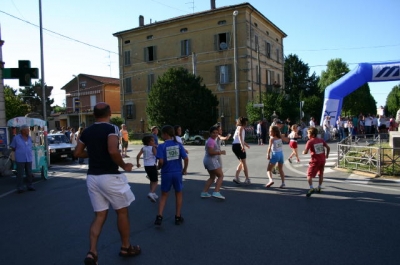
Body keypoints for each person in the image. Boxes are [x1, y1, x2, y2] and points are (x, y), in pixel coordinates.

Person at [74, 102, 141, 265]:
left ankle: (92, 252)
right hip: (109, 176)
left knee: (99, 215)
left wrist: (94, 153)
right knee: (122, 212)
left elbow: (77, 152)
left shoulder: (87, 131)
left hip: (92, 178)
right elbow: (112, 150)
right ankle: (126, 247)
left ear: (95, 114)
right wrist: (124, 165)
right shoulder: (112, 129)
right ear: (109, 113)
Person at [154, 125, 188, 226]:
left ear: (165, 134)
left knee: (164, 195)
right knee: (178, 194)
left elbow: (161, 161)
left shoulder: (161, 146)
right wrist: (184, 169)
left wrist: (159, 167)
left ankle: (159, 216)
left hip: (166, 173)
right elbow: (186, 158)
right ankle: (178, 216)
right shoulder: (178, 145)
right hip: (177, 172)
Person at [302, 127, 330, 197]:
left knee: (309, 175)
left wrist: (303, 152)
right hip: (322, 160)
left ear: (313, 135)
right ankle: (319, 187)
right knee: (321, 174)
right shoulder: (321, 140)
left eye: (308, 133)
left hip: (315, 161)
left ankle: (311, 188)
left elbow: (305, 152)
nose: (307, 135)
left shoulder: (310, 142)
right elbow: (328, 147)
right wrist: (327, 155)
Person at [201, 126, 226, 200]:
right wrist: (220, 152)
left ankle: (204, 192)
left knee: (212, 177)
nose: (215, 134)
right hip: (211, 160)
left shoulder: (211, 140)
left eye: (216, 133)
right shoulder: (211, 141)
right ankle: (216, 191)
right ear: (210, 133)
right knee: (221, 176)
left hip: (208, 160)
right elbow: (211, 152)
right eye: (213, 133)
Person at [10, 125, 35, 193]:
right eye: (27, 130)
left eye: (28, 129)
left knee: (29, 173)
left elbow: (31, 146)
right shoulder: (16, 138)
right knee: (20, 174)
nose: (28, 131)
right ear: (23, 131)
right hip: (20, 158)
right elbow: (13, 147)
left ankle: (30, 185)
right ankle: (20, 187)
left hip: (28, 158)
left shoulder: (29, 138)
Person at [136, 135, 158, 202]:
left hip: (146, 166)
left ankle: (153, 192)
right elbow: (157, 155)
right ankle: (151, 193)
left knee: (151, 180)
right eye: (152, 140)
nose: (154, 141)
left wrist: (138, 163)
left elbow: (138, 156)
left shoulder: (143, 148)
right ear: (149, 142)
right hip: (152, 165)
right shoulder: (152, 148)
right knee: (156, 181)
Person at [232, 117, 251, 184]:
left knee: (242, 162)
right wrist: (242, 146)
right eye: (246, 122)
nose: (247, 123)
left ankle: (236, 177)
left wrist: (245, 144)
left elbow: (237, 138)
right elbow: (240, 136)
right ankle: (247, 178)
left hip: (235, 145)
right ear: (243, 122)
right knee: (244, 163)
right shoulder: (240, 128)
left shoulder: (238, 128)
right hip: (238, 146)